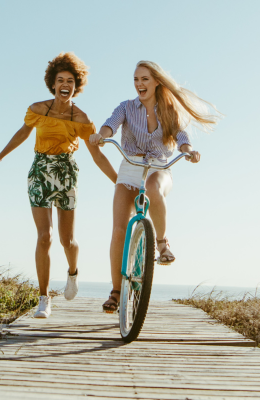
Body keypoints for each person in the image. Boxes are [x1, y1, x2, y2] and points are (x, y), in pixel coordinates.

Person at [0, 52, 117, 318]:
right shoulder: (37, 110)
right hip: (39, 171)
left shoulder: (81, 119)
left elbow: (97, 155)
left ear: (76, 86)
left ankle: (72, 273)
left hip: (66, 172)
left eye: (70, 80)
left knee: (67, 240)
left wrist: (119, 181)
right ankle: (44, 298)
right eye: (60, 80)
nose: (64, 84)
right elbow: (23, 132)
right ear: (53, 83)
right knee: (45, 236)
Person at [89, 60, 221, 312]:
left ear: (156, 82)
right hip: (129, 166)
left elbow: (182, 136)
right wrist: (102, 136)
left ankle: (161, 242)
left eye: (145, 79)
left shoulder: (169, 110)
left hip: (159, 166)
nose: (139, 84)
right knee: (118, 230)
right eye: (136, 80)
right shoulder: (126, 107)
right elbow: (110, 124)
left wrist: (188, 150)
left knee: (152, 188)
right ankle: (116, 292)